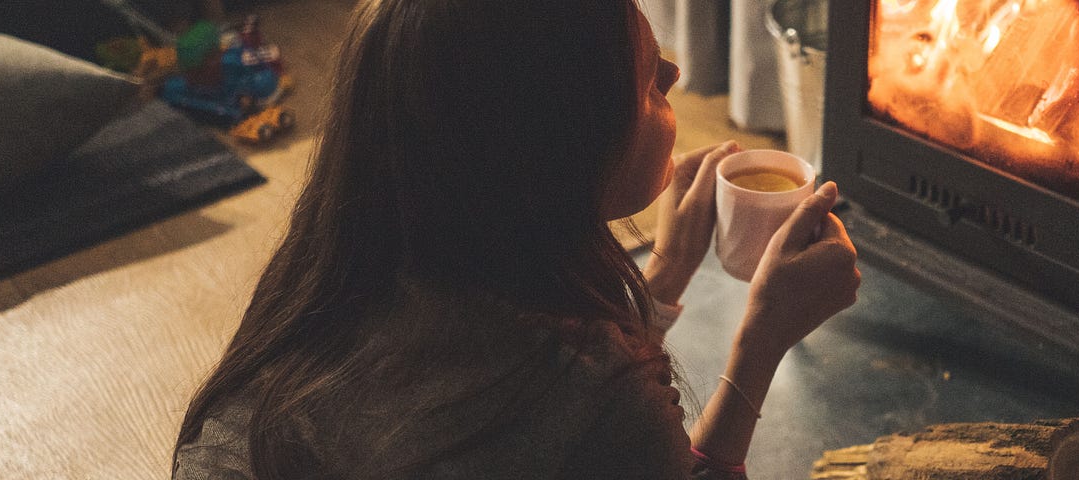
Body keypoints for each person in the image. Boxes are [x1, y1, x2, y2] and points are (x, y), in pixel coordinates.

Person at [171, 0, 860, 478]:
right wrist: (762, 338)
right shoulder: (597, 406)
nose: (675, 74)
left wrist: (671, 268)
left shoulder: (322, 290)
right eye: (647, 79)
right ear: (556, 146)